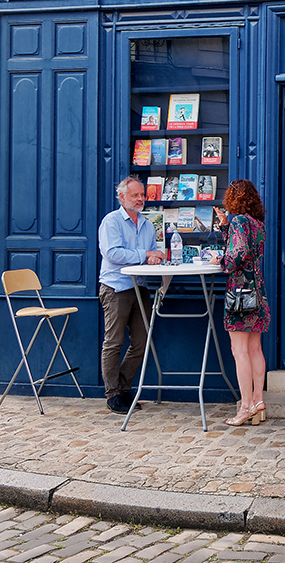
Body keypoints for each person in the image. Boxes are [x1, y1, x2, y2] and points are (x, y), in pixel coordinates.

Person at [98, 176, 166, 414]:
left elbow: (152, 252)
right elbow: (113, 254)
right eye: (135, 195)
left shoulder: (147, 224)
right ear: (122, 197)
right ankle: (113, 394)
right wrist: (146, 253)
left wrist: (155, 256)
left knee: (142, 341)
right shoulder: (112, 222)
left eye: (142, 195)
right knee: (114, 342)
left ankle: (124, 388)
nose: (140, 199)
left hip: (139, 287)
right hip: (116, 286)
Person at [219, 179, 270, 427]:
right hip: (256, 290)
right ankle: (258, 401)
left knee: (239, 352)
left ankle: (245, 407)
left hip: (239, 291)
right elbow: (246, 247)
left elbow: (236, 254)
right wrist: (224, 227)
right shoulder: (256, 224)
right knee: (254, 349)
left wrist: (221, 262)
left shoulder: (239, 221)